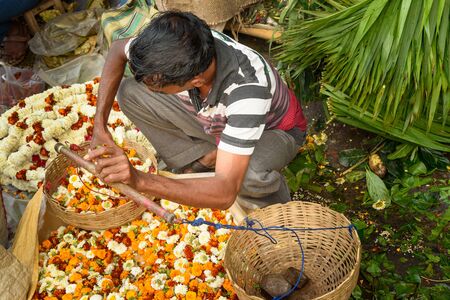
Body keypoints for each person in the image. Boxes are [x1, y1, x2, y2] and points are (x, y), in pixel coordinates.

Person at [86, 11, 307, 210]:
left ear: (196, 81)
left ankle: (272, 212)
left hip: (273, 131)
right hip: (215, 120)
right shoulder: (178, 44)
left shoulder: (247, 91)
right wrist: (100, 126)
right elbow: (118, 50)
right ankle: (209, 158)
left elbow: (225, 193)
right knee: (130, 92)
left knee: (249, 176)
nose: (153, 91)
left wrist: (140, 180)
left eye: (160, 90)